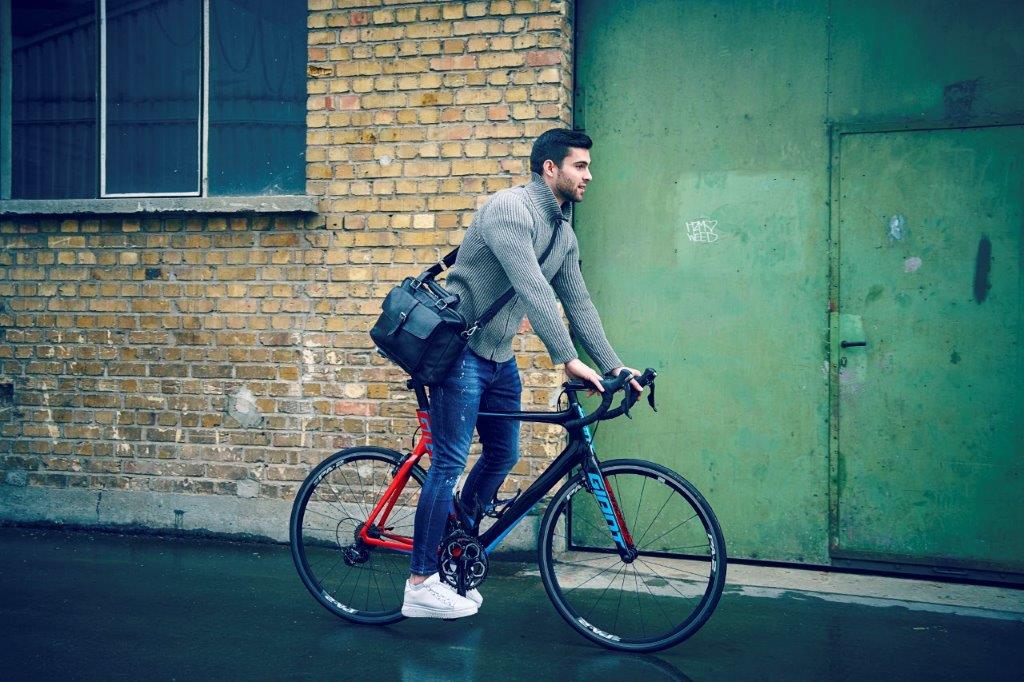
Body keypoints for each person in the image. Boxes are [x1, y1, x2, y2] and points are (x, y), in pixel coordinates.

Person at [401, 128, 642, 619]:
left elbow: (578, 301)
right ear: (550, 168)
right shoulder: (509, 209)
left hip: (498, 358)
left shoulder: (562, 233)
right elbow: (532, 288)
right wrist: (566, 357)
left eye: (589, 167)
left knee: (504, 453)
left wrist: (612, 364)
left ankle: (457, 546)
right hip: (460, 353)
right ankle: (421, 582)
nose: (589, 176)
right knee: (448, 463)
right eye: (580, 166)